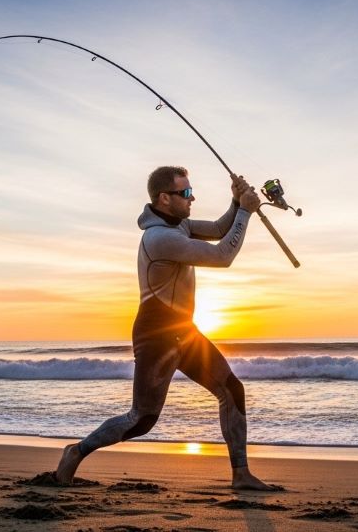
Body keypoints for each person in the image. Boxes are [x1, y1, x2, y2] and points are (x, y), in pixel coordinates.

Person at [55, 166, 279, 490]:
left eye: (190, 191)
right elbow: (222, 256)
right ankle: (75, 452)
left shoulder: (180, 225)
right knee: (142, 419)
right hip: (157, 334)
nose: (192, 198)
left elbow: (218, 229)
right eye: (185, 193)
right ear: (164, 198)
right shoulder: (160, 238)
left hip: (184, 330)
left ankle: (241, 474)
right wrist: (245, 210)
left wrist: (234, 203)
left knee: (231, 391)